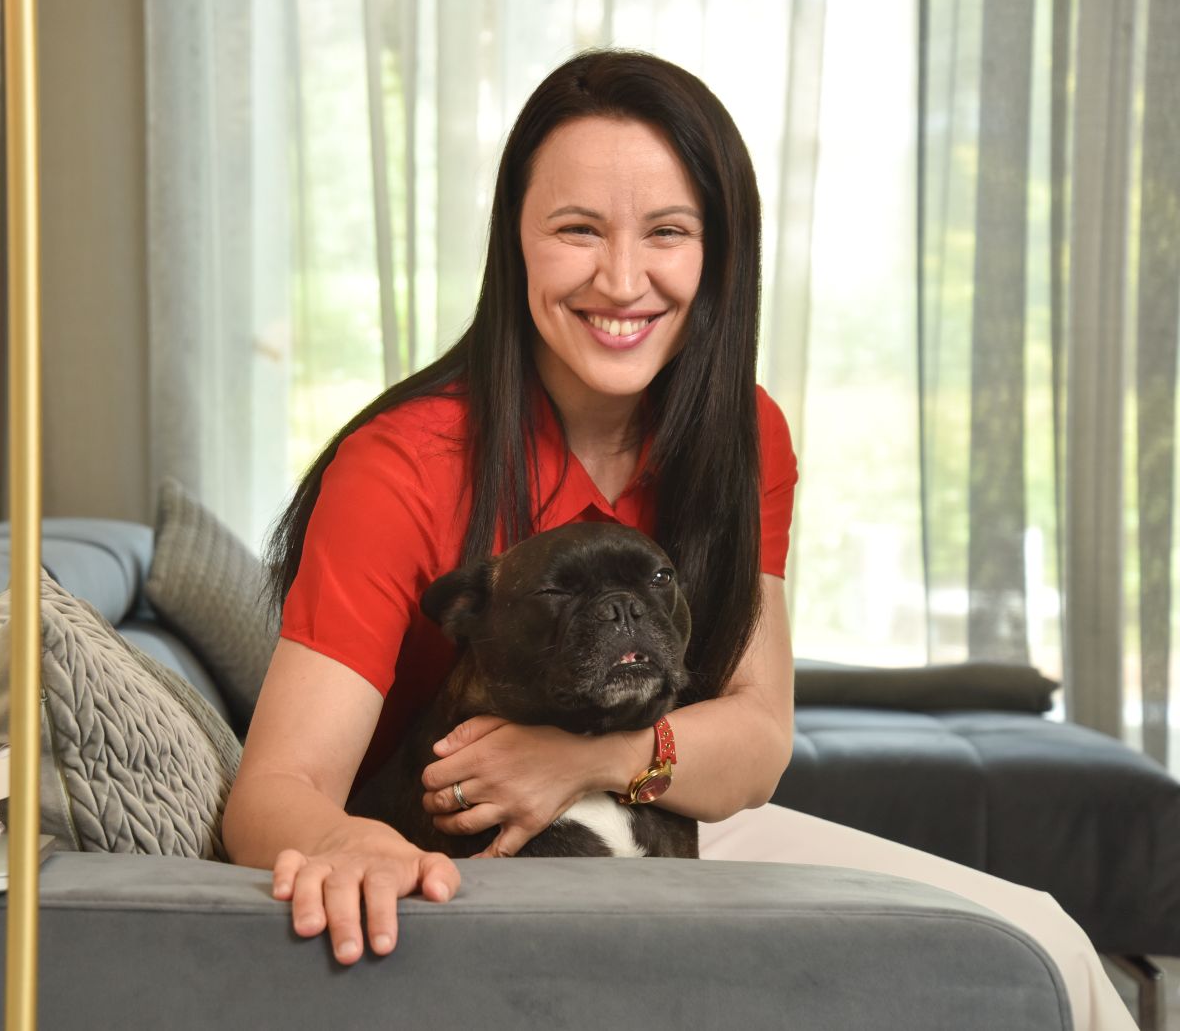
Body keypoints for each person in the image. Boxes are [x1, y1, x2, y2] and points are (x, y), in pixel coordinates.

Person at [220, 50, 1133, 1031]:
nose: (622, 279)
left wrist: (578, 756)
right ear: (515, 243)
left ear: (717, 251)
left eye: (667, 232)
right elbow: (274, 787)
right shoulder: (400, 463)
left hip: (662, 819)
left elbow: (754, 739)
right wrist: (347, 842)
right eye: (576, 230)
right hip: (457, 860)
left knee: (1040, 938)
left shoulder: (741, 434)